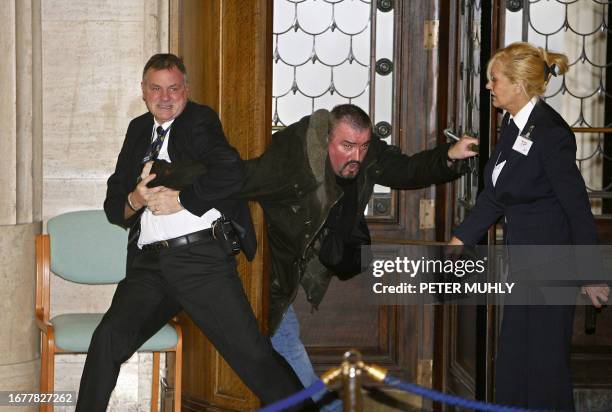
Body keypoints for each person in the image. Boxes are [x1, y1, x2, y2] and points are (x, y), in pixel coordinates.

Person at [135, 103, 479, 410]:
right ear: (327, 140)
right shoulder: (292, 162)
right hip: (268, 262)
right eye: (346, 146)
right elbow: (238, 177)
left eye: (362, 146)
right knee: (283, 339)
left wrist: (450, 155)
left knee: (279, 342)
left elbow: (406, 170)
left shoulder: (367, 154)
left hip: (307, 258)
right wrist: (168, 177)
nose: (355, 156)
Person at [75, 53, 313, 412]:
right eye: (156, 89)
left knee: (252, 356)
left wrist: (182, 200)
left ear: (185, 90)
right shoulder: (138, 130)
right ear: (143, 91)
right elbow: (114, 207)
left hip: (199, 261)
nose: (165, 97)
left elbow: (230, 171)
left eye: (173, 88)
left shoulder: (199, 121)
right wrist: (137, 199)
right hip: (150, 267)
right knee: (107, 340)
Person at [449, 42, 609, 409]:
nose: (489, 86)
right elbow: (496, 195)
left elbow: (578, 209)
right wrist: (460, 238)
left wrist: (590, 273)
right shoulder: (513, 124)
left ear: (518, 85)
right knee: (514, 364)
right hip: (525, 266)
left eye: (495, 80)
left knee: (544, 371)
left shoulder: (551, 133)